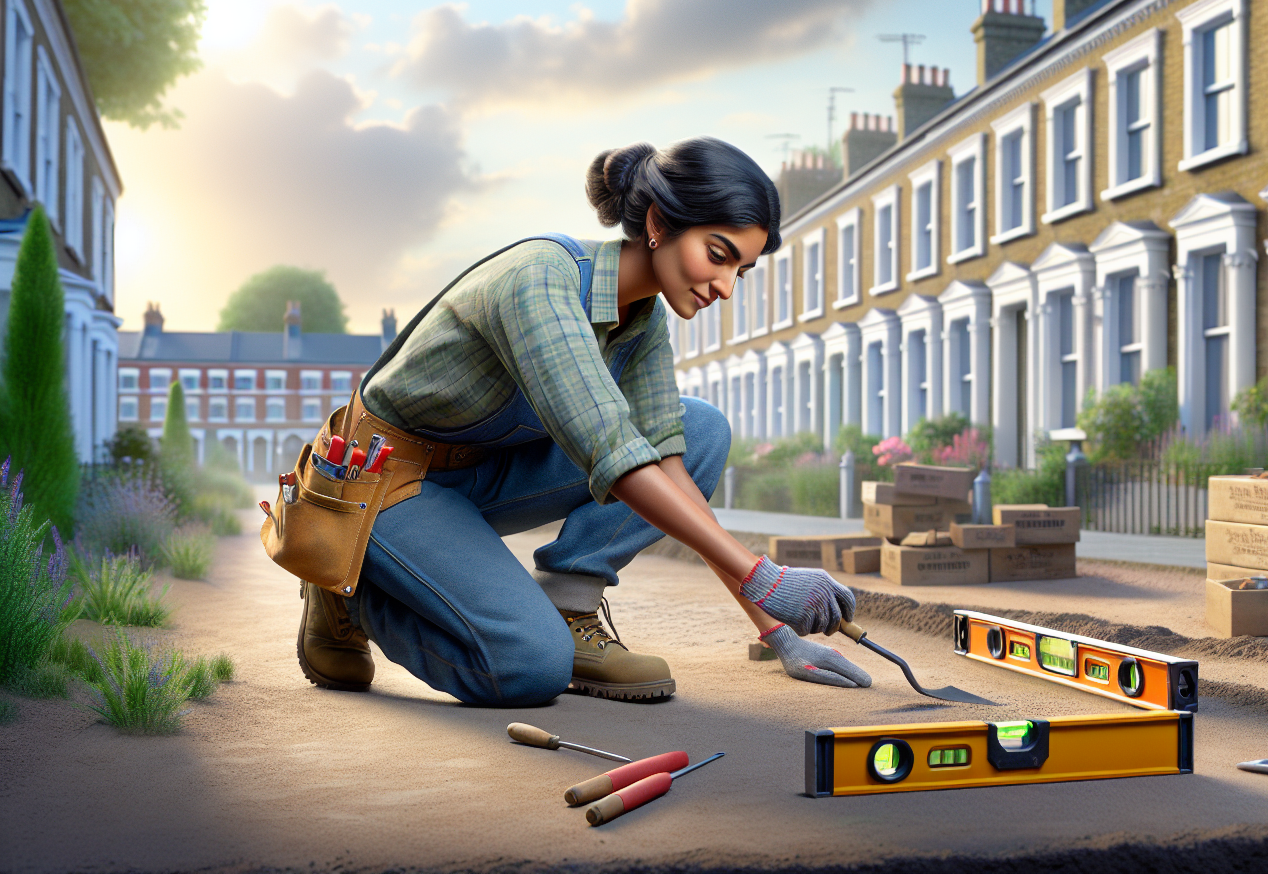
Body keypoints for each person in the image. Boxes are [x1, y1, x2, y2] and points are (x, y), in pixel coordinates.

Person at [292, 137, 871, 705]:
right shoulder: (539, 278)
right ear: (659, 222)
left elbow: (671, 467)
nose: (724, 286)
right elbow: (612, 455)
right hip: (383, 483)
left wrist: (776, 629)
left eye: (739, 271)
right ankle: (352, 593)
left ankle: (569, 605)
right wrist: (765, 576)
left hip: (481, 475)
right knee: (530, 667)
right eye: (718, 255)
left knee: (700, 432)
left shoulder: (641, 321)